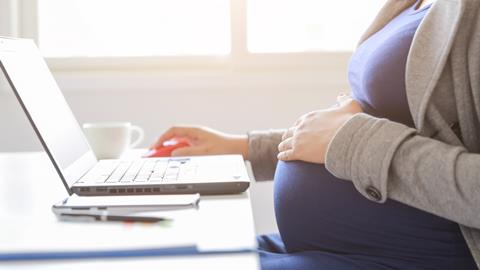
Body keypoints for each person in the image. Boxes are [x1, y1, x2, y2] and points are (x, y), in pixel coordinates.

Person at [151, 0, 480, 269]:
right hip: (332, 247)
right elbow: (371, 124)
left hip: (406, 258)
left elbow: (355, 135)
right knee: (151, 254)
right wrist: (246, 148)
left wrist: (354, 141)